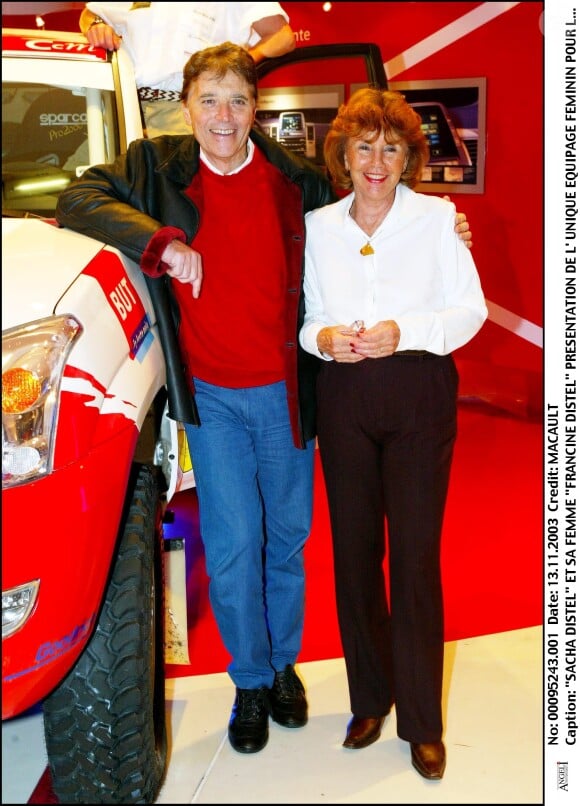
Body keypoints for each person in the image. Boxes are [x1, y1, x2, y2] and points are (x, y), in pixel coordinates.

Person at [55, 44, 474, 756]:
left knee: (288, 542)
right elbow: (77, 199)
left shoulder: (295, 181)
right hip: (212, 397)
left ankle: (283, 669)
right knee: (233, 543)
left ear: (256, 110)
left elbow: (362, 213)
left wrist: (440, 223)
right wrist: (158, 241)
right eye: (210, 100)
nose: (224, 117)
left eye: (239, 101)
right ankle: (249, 679)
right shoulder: (156, 168)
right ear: (185, 107)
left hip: (289, 397)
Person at [298, 88, 487, 780]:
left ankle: (422, 723)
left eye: (392, 147)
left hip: (417, 395)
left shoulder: (438, 221)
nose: (377, 161)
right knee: (353, 558)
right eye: (364, 146)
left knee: (413, 561)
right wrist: (323, 339)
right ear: (342, 156)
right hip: (343, 396)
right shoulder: (318, 227)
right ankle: (369, 701)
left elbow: (470, 310)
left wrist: (404, 332)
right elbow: (308, 316)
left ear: (409, 157)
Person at [79, 2, 296, 136]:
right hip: (124, 106)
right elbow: (89, 13)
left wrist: (239, 61)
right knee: (85, 181)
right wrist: (96, 24)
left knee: (175, 199)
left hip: (182, 111)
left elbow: (283, 37)